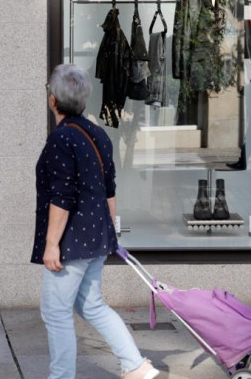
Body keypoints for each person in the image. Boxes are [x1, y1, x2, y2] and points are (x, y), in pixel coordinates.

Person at [33, 64, 161, 379]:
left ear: (53, 100)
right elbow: (109, 190)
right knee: (91, 305)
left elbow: (61, 198)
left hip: (72, 243)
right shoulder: (98, 133)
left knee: (56, 313)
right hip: (97, 238)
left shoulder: (61, 139)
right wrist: (111, 234)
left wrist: (51, 245)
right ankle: (135, 365)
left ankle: (61, 377)